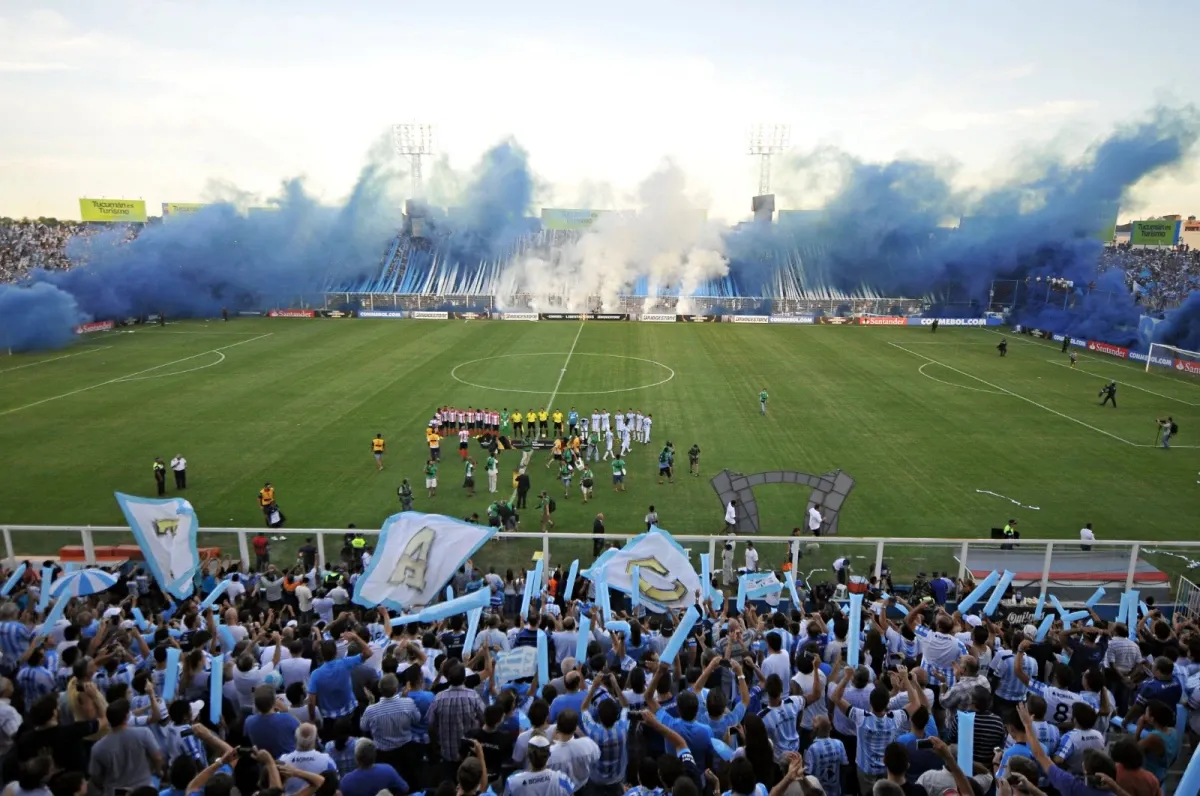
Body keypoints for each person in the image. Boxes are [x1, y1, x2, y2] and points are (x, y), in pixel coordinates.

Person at [88, 699, 163, 796]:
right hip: (144, 790)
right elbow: (157, 757)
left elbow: (95, 776)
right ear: (127, 716)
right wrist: (158, 771)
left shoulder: (98, 747)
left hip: (113, 792)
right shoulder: (143, 734)